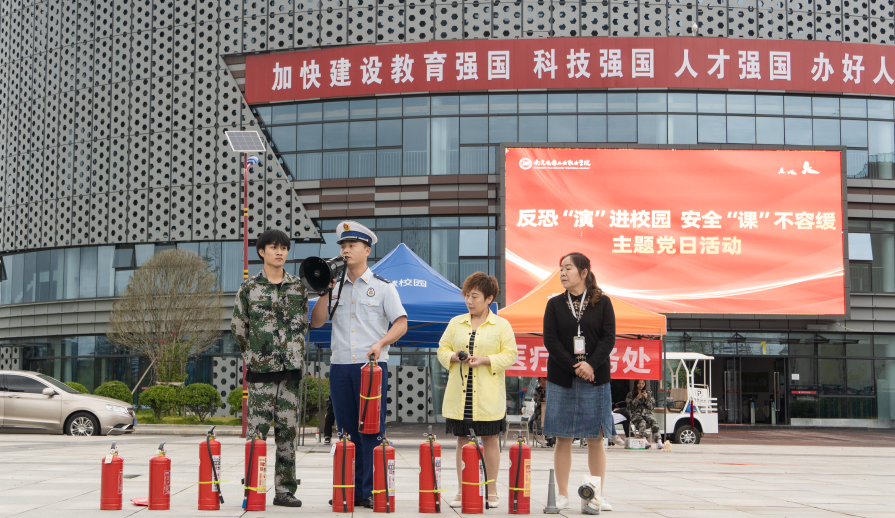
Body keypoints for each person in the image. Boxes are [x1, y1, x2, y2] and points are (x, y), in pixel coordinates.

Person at [310, 221, 407, 509]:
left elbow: (401, 323)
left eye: (351, 245)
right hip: (340, 366)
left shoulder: (382, 288)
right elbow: (316, 322)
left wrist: (380, 343)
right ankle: (347, 489)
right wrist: (325, 291)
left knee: (371, 431)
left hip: (371, 369)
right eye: (342, 245)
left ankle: (369, 490)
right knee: (346, 431)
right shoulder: (334, 287)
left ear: (366, 250)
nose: (345, 249)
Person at [230, 229, 306, 507]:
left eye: (284, 248)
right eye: (274, 247)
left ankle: (284, 490)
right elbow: (239, 328)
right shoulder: (249, 289)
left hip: (291, 375)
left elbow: (306, 325)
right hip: (261, 375)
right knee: (257, 434)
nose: (280, 252)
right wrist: (254, 356)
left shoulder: (298, 287)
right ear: (261, 252)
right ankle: (254, 486)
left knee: (288, 434)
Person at [436, 272, 517, 509]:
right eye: (466, 296)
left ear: (489, 298)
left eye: (475, 296)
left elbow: (510, 354)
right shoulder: (456, 322)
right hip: (460, 394)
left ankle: (491, 491)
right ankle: (463, 489)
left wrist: (485, 360)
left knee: (490, 439)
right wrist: (453, 356)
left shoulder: (502, 325)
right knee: (463, 440)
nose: (469, 301)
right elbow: (442, 349)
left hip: (487, 395)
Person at [542, 252, 615, 513]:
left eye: (568, 268)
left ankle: (595, 495)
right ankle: (561, 495)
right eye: (560, 268)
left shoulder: (603, 303)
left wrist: (591, 365)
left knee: (596, 437)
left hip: (595, 378)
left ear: (584, 273)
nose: (562, 273)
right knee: (563, 437)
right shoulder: (554, 304)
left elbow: (609, 339)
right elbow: (550, 341)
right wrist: (576, 367)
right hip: (563, 378)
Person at [626, 379, 658, 444]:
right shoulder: (631, 394)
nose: (641, 385)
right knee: (642, 422)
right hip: (636, 414)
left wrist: (647, 398)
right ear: (636, 384)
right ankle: (644, 440)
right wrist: (637, 399)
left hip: (646, 413)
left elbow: (651, 407)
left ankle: (659, 440)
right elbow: (630, 408)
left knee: (654, 422)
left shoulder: (648, 393)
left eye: (642, 383)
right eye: (639, 383)